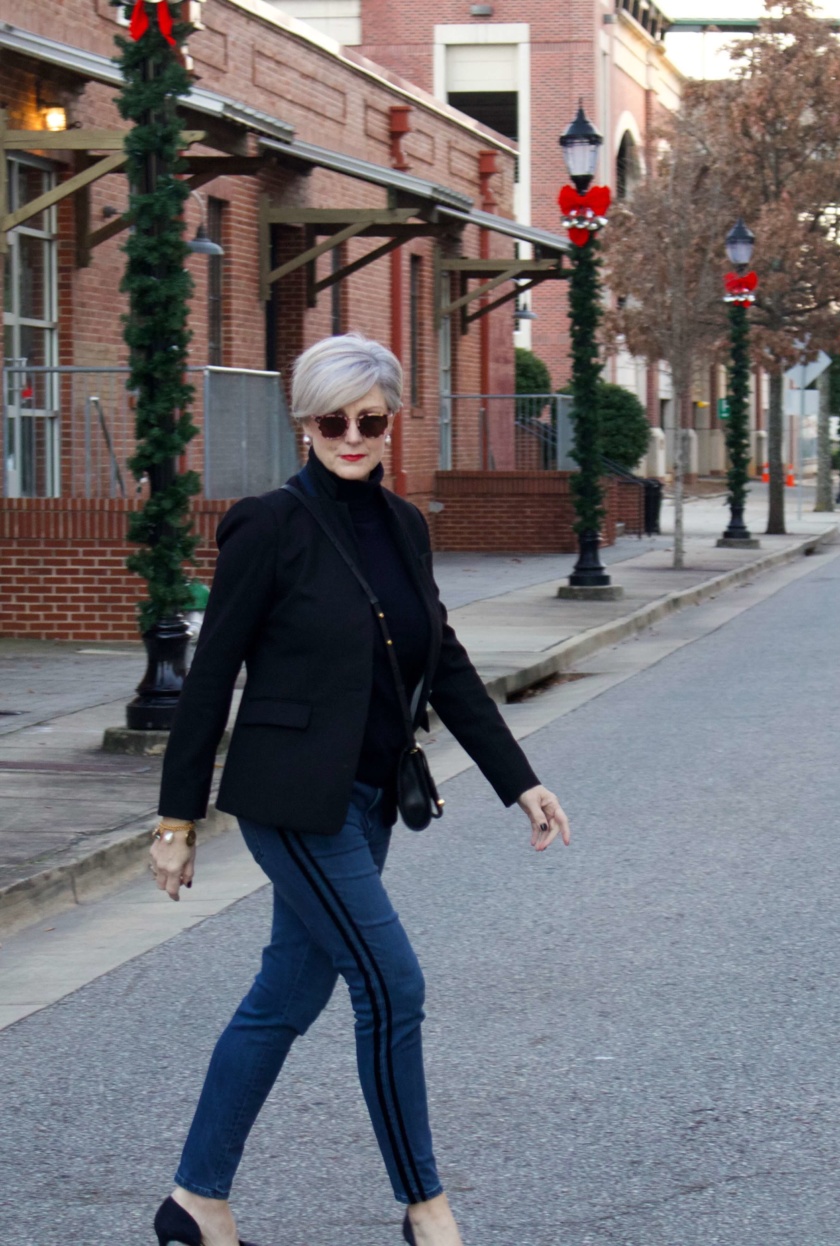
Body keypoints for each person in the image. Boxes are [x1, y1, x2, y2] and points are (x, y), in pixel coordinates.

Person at [148, 334, 569, 1246]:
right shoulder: (269, 524)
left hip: (373, 795)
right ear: (303, 424)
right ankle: (427, 1210)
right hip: (292, 802)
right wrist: (176, 818)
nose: (350, 434)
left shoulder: (406, 525)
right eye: (331, 419)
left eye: (368, 419)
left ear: (392, 422)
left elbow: (443, 663)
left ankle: (194, 1203)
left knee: (284, 999)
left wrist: (518, 780)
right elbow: (211, 674)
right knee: (393, 986)